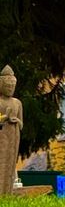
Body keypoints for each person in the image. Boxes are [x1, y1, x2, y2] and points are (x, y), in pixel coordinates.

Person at [0, 65, 24, 196]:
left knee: (10, 165)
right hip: (2, 135)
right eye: (7, 86)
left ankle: (7, 193)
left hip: (14, 136)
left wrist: (16, 121)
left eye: (12, 86)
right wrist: (5, 117)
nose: (10, 89)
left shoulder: (17, 103)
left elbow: (21, 123)